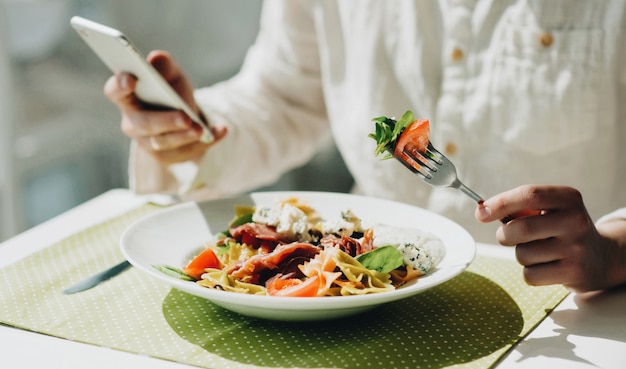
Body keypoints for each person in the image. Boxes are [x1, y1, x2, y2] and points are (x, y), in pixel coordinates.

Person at [103, 0, 626, 293]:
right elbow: (283, 96)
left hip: (578, 311)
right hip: (358, 301)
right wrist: (191, 131)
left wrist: (615, 252)